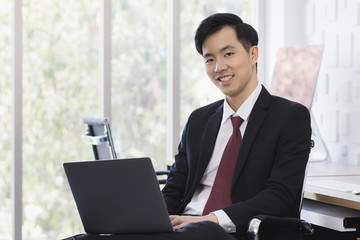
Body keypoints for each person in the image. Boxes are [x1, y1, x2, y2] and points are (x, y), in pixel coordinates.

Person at [67, 12, 311, 240]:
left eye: (228, 54)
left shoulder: (289, 117)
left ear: (253, 54)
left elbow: (281, 195)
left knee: (203, 230)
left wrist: (213, 219)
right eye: (210, 59)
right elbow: (175, 187)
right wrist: (146, 220)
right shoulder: (200, 119)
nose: (219, 67)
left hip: (227, 232)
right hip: (183, 229)